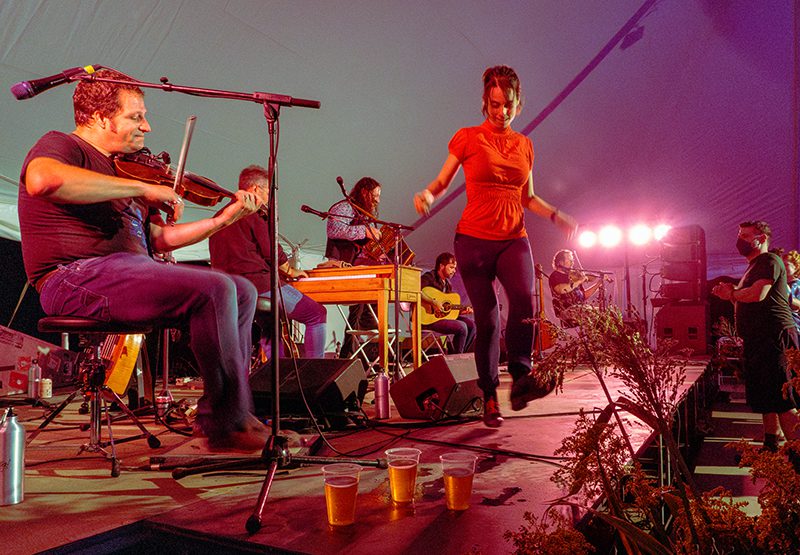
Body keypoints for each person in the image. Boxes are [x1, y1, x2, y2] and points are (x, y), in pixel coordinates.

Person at [17, 69, 267, 452]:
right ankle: (224, 424)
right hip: (72, 278)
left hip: (127, 271)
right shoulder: (63, 146)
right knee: (215, 286)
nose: (147, 126)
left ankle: (234, 412)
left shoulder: (123, 169)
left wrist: (221, 221)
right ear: (101, 118)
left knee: (243, 289)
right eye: (136, 116)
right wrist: (142, 187)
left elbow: (159, 240)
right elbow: (42, 180)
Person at [414, 65, 577, 427]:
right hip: (472, 240)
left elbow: (528, 196)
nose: (501, 112)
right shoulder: (468, 138)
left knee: (525, 299)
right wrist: (426, 193)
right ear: (485, 103)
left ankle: (521, 378)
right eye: (495, 105)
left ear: (520, 105)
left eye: (508, 106)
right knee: (486, 317)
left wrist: (555, 215)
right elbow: (443, 181)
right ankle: (489, 396)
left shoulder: (525, 145)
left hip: (512, 237)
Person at [209, 165, 327, 358]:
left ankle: (275, 377)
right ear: (255, 189)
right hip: (259, 285)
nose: (268, 199)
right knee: (316, 314)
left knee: (269, 324)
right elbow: (270, 250)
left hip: (229, 290)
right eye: (267, 192)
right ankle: (317, 375)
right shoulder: (255, 212)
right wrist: (290, 270)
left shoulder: (219, 215)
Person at [711, 221, 800, 458]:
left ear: (760, 238)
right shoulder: (754, 266)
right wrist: (730, 295)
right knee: (767, 395)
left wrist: (732, 293)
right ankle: (771, 446)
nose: (740, 240)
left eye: (745, 235)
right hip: (760, 339)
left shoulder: (769, 261)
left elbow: (758, 294)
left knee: (783, 398)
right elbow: (743, 299)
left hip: (774, 337)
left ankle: (797, 456)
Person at [326, 177, 383, 358]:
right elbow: (333, 230)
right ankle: (359, 339)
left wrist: (376, 251)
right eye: (376, 195)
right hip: (339, 265)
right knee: (361, 302)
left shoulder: (362, 214)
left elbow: (359, 247)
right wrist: (365, 232)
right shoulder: (344, 207)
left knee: (371, 292)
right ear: (365, 192)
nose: (378, 200)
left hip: (355, 266)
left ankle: (352, 350)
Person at [420, 252, 475, 353]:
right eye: (451, 267)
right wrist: (433, 302)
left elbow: (448, 311)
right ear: (441, 266)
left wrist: (463, 311)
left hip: (441, 318)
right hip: (427, 319)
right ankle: (457, 358)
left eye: (454, 268)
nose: (454, 271)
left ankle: (459, 355)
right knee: (462, 327)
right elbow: (416, 291)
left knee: (472, 326)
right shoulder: (429, 277)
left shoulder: (448, 284)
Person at [548, 249, 602, 327]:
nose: (572, 262)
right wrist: (579, 281)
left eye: (572, 259)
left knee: (605, 313)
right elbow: (561, 290)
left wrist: (598, 283)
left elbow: (584, 296)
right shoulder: (555, 276)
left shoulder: (574, 276)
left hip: (580, 308)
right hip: (566, 311)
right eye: (569, 259)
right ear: (560, 262)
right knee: (593, 314)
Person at [783, 250, 800, 332]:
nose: (783, 268)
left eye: (786, 265)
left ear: (796, 267)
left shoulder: (797, 285)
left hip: (795, 326)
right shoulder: (784, 284)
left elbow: (797, 305)